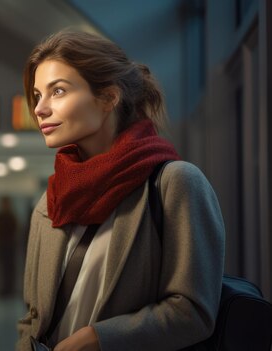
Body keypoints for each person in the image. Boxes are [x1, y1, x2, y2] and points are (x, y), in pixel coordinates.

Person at [16, 31, 225, 351]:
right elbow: (33, 316)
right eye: (37, 94)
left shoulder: (173, 185)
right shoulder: (52, 201)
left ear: (109, 97)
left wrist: (100, 339)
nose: (40, 109)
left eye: (57, 91)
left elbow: (193, 311)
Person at [0, 195, 18, 297]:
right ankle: (4, 288)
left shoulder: (11, 217)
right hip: (2, 244)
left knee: (9, 268)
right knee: (3, 268)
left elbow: (15, 230)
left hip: (9, 244)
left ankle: (9, 289)